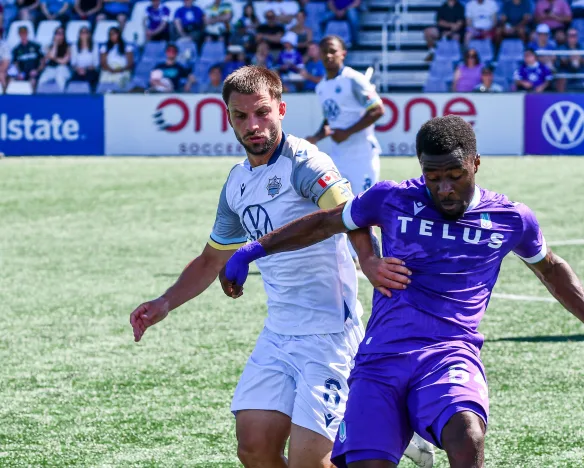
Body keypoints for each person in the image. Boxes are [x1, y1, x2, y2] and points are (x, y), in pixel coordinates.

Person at [220, 114, 584, 468]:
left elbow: (551, 269)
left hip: (450, 354)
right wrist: (252, 250)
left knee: (467, 436)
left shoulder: (510, 219)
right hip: (381, 359)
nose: (444, 188)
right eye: (434, 177)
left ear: (475, 164)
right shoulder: (392, 198)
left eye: (455, 175)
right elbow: (325, 221)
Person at [129, 65, 410, 468]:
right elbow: (212, 258)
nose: (253, 125)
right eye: (241, 116)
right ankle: (378, 427)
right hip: (278, 334)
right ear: (228, 118)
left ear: (280, 109)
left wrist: (369, 259)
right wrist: (165, 302)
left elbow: (350, 213)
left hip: (329, 333)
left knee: (309, 462)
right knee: (254, 446)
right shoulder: (237, 183)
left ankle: (382, 430)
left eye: (262, 113)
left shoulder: (304, 161)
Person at [306, 36, 384, 211]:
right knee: (339, 211)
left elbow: (378, 110)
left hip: (362, 156)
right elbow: (330, 117)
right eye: (324, 51)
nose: (328, 56)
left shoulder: (354, 79)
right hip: (338, 157)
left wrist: (347, 132)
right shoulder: (321, 87)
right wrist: (317, 137)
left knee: (365, 211)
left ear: (343, 54)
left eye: (333, 51)